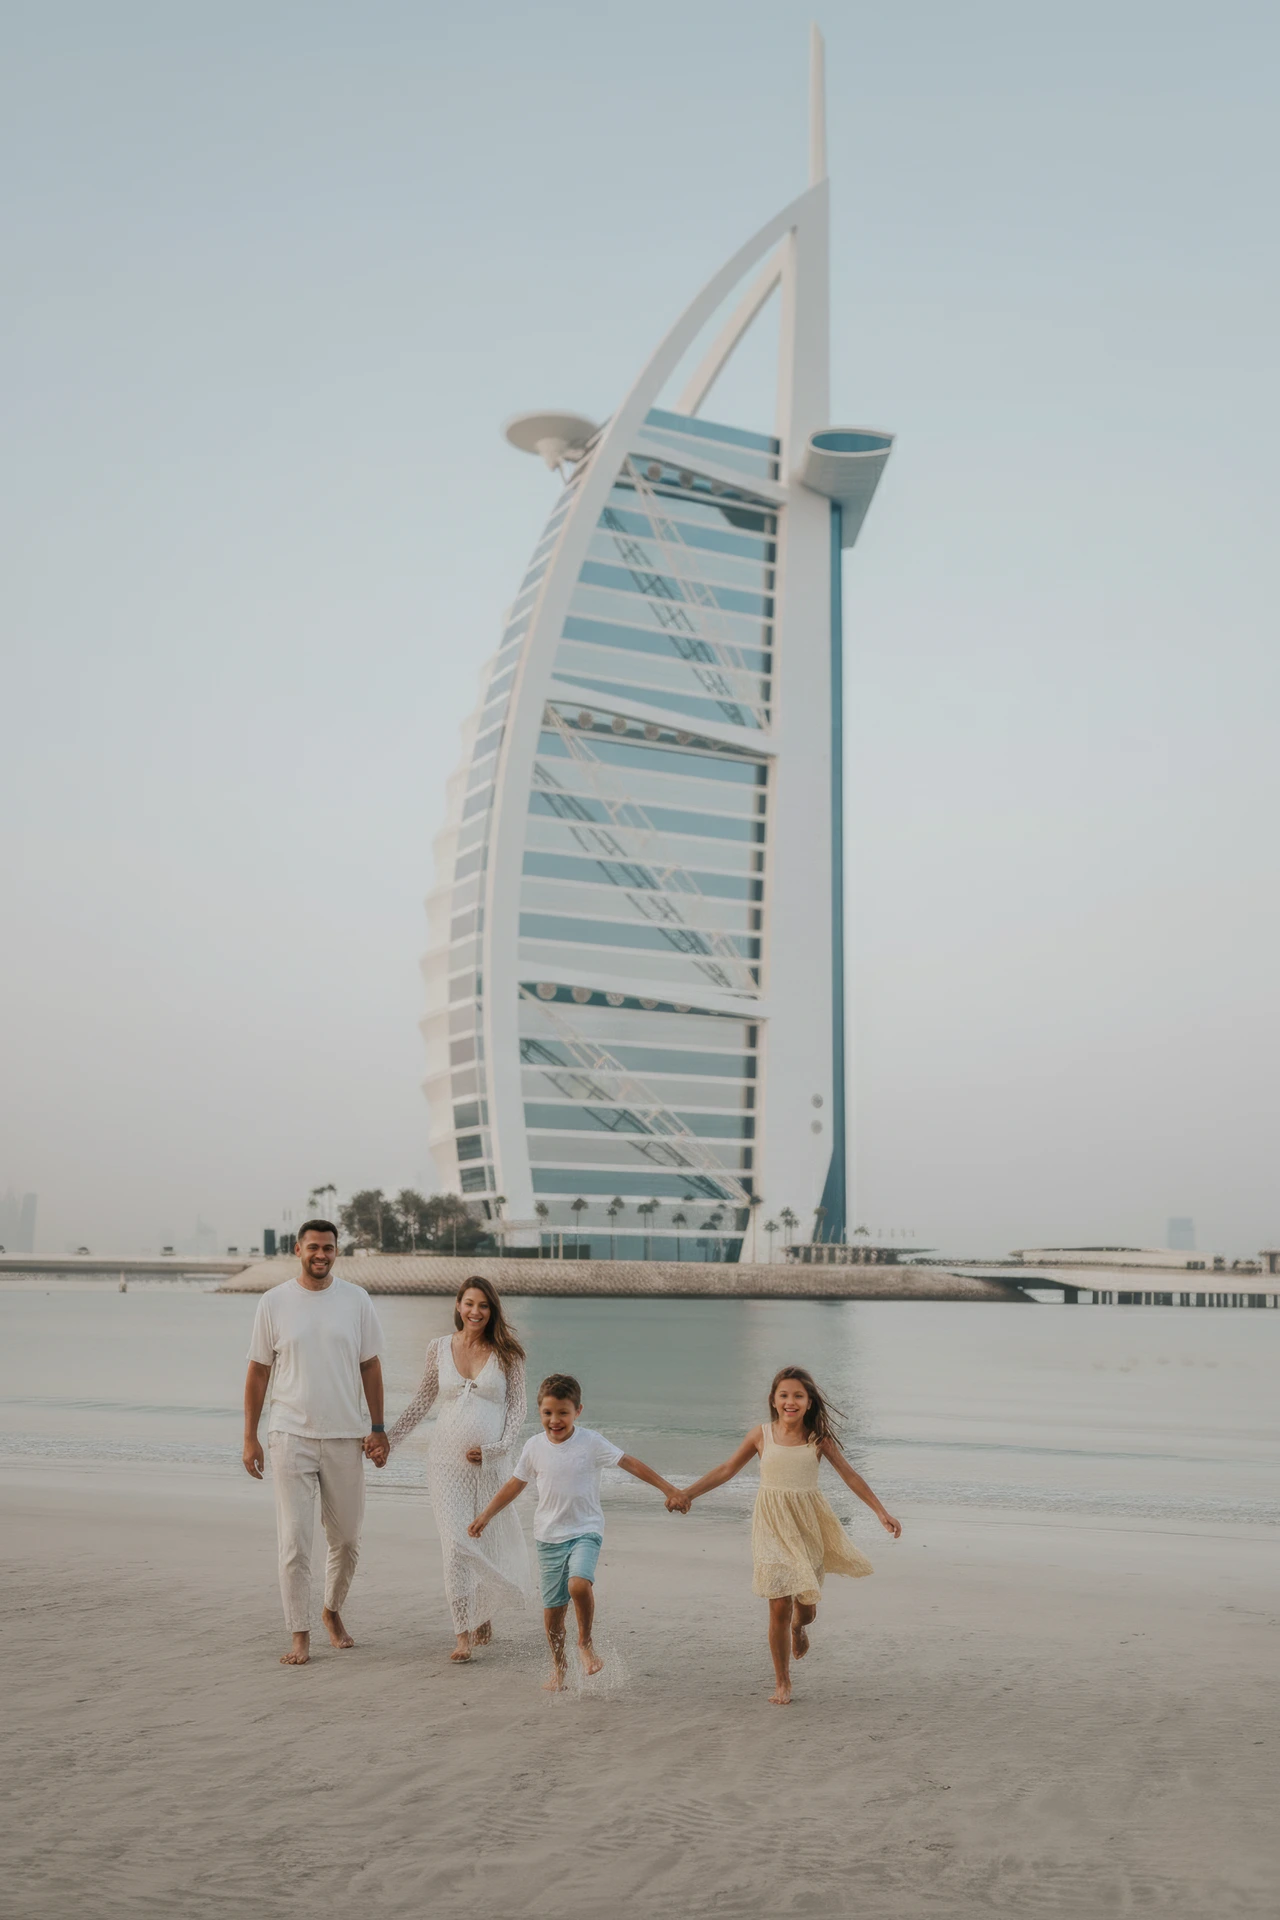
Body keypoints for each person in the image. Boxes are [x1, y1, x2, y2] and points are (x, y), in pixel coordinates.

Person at [676, 1366, 901, 1705]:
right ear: (773, 1400)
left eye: (798, 1395)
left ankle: (800, 1627)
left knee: (806, 1608)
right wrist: (689, 1494)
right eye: (784, 1395)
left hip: (808, 1524)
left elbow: (851, 1476)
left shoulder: (818, 1440)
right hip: (770, 1524)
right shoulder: (760, 1435)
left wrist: (881, 1511)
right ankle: (782, 1682)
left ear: (809, 1402)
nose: (790, 1401)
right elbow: (726, 1469)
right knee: (778, 1603)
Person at [469, 1371, 686, 1690]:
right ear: (539, 1412)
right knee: (553, 1617)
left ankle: (585, 1642)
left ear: (578, 1411)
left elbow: (630, 1463)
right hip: (548, 1537)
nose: (555, 1420)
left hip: (586, 1530)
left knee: (579, 1585)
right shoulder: (533, 1447)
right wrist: (485, 1515)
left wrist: (669, 1489)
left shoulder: (591, 1442)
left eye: (563, 1413)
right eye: (547, 1413)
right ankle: (559, 1668)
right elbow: (515, 1485)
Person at [242, 1219, 387, 1666]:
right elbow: (258, 1371)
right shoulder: (274, 1302)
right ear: (298, 1250)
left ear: (336, 1252)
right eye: (313, 1248)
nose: (321, 1255)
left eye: (328, 1248)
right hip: (289, 1434)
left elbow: (370, 1366)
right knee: (295, 1542)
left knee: (346, 1539)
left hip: (346, 1435)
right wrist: (250, 1436)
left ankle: (331, 1611)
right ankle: (299, 1633)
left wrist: (378, 1428)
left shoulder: (356, 1300)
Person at [380, 1277, 532, 1662]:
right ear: (458, 1305)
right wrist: (388, 1440)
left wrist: (497, 1449)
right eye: (469, 1303)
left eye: (483, 1305)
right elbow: (422, 1400)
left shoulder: (508, 1353)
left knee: (487, 1537)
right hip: (445, 1463)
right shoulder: (438, 1348)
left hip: (490, 1464)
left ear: (492, 1310)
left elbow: (518, 1409)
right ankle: (462, 1633)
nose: (475, 1312)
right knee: (455, 1544)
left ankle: (483, 1611)